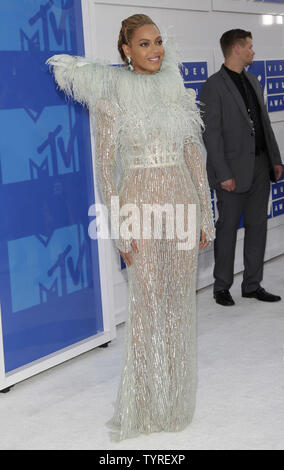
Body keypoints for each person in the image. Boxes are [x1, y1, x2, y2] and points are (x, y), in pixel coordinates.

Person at [46, 14, 215, 441]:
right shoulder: (111, 97)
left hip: (180, 199)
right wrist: (120, 227)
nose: (155, 50)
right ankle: (141, 407)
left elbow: (194, 154)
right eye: (143, 44)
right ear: (125, 50)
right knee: (145, 308)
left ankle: (173, 403)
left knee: (179, 305)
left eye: (158, 42)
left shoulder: (177, 87)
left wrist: (203, 210)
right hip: (139, 204)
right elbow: (105, 169)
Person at [200, 29, 283, 307]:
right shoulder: (213, 86)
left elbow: (264, 124)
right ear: (236, 49)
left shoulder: (252, 81)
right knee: (226, 230)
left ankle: (252, 284)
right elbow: (211, 135)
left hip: (260, 165)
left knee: (258, 226)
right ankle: (221, 286)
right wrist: (223, 174)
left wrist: (275, 159)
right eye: (249, 46)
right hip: (232, 173)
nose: (253, 51)